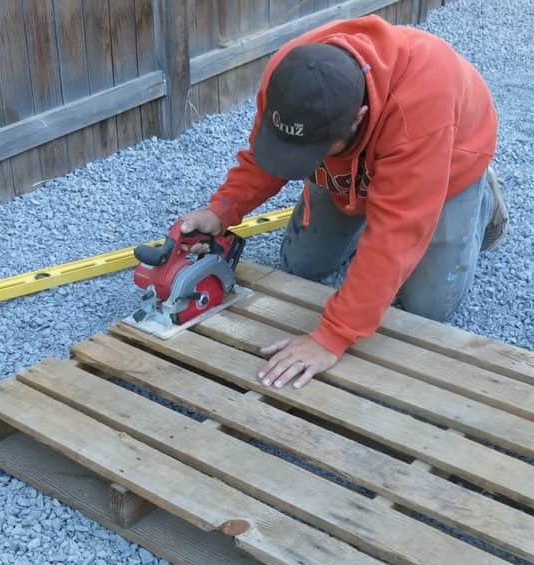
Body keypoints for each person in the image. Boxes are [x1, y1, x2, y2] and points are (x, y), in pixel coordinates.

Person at [178, 14, 507, 389]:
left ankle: (481, 202)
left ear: (358, 119)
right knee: (300, 263)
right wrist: (222, 210)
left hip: (448, 160)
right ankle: (370, 185)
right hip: (358, 162)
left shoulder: (419, 110)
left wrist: (332, 336)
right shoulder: (291, 76)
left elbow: (395, 236)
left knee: (427, 308)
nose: (298, 161)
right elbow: (268, 154)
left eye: (310, 150)